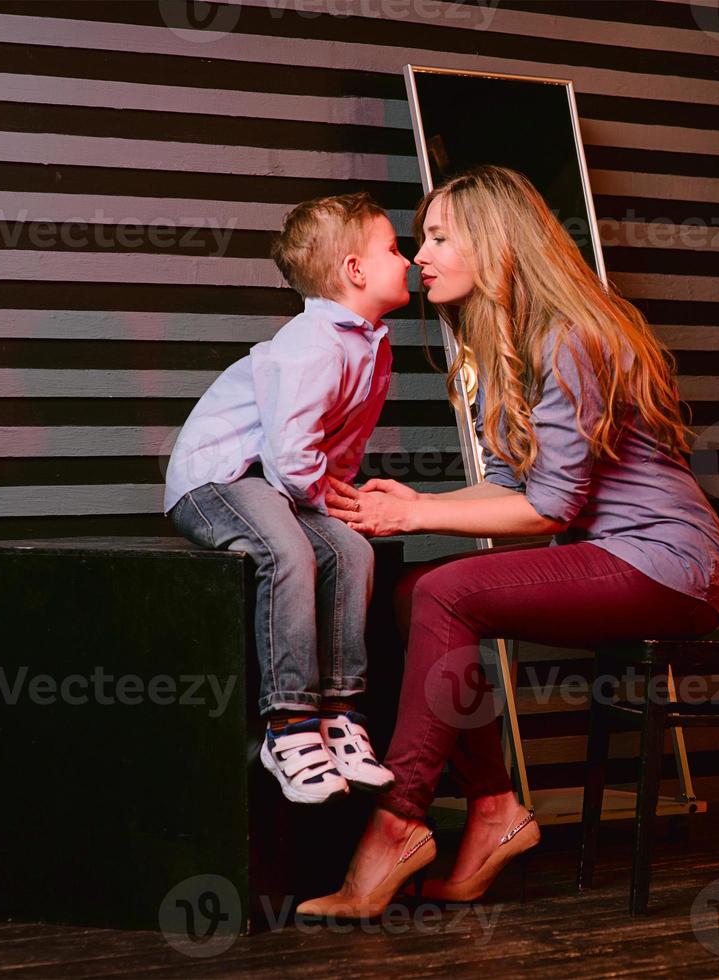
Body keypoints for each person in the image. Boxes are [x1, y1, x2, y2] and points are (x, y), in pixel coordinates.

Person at [296, 166, 719, 919]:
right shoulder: (499, 346)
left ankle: (398, 825)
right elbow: (508, 485)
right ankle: (495, 810)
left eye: (438, 236)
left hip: (670, 562)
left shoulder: (570, 338)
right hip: (614, 555)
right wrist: (416, 502)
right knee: (417, 593)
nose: (420, 252)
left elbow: (549, 511)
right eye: (420, 236)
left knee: (441, 588)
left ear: (496, 247)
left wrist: (421, 517)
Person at [163, 192, 410, 806]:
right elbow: (292, 450)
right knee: (288, 555)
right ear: (355, 270)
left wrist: (341, 506)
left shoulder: (370, 342)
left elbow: (340, 446)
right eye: (393, 248)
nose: (407, 260)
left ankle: (339, 714)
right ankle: (289, 724)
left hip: (279, 482)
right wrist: (328, 500)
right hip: (218, 479)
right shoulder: (313, 342)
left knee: (352, 553)